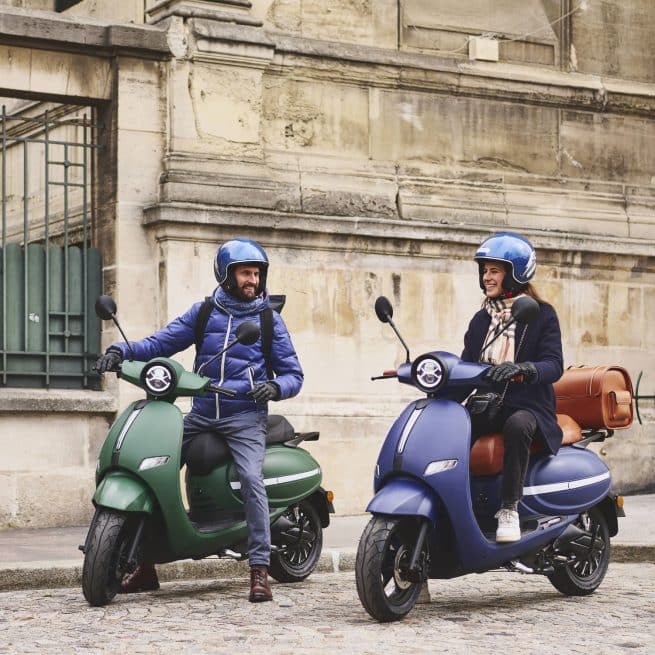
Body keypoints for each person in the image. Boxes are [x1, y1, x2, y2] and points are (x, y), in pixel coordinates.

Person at [95, 237, 303, 601]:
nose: (251, 280)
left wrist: (274, 387)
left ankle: (259, 568)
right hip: (201, 413)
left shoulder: (269, 319)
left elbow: (293, 374)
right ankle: (145, 565)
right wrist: (119, 351)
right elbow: (161, 343)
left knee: (252, 480)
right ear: (225, 274)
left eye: (256, 273)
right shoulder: (204, 312)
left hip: (244, 417)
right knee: (151, 462)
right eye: (244, 273)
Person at [461, 232, 563, 543]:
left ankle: (509, 508)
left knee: (518, 426)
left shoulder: (541, 314)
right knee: (451, 427)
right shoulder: (482, 319)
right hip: (488, 404)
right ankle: (456, 503)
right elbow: (466, 365)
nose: (487, 277)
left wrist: (523, 369)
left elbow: (554, 365)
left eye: (494, 270)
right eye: (485, 271)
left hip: (528, 405)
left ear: (515, 273)